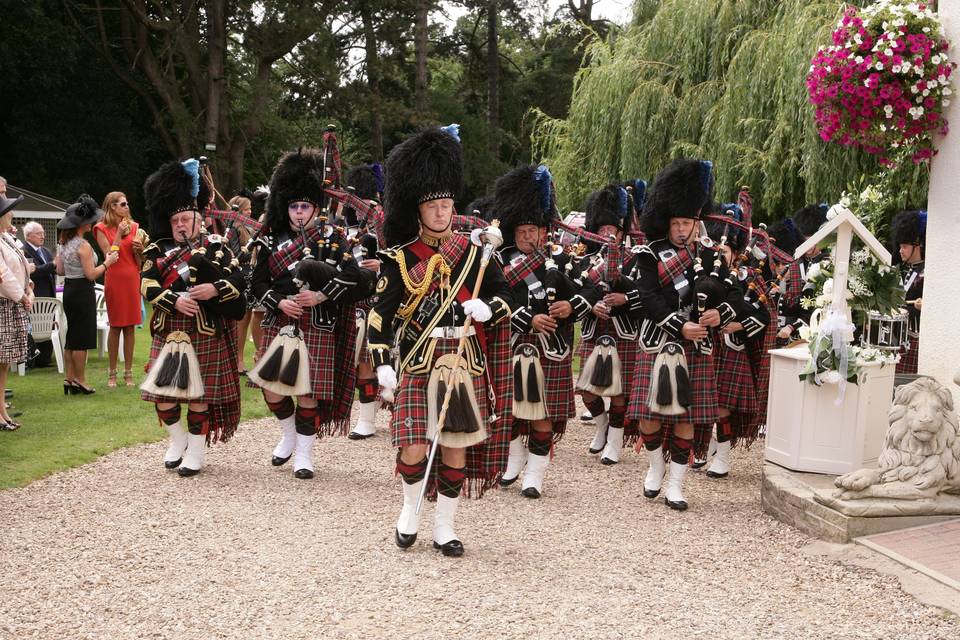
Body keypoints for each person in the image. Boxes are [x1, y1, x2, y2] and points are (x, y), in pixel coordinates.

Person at [369, 125, 513, 557]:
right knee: (412, 442)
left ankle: (445, 528)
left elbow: (506, 294)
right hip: (418, 358)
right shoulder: (397, 259)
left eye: (446, 205)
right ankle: (410, 510)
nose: (440, 213)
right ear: (418, 209)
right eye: (433, 206)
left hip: (462, 357)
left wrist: (489, 308)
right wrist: (382, 363)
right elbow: (381, 315)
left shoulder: (475, 254)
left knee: (454, 446)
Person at [248, 148, 375, 479]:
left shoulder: (333, 238)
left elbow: (354, 277)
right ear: (284, 206)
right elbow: (256, 284)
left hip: (319, 321)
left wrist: (321, 295)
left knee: (308, 392)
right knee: (271, 388)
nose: (299, 212)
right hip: (281, 319)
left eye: (305, 206)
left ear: (317, 207)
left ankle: (305, 454)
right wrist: (278, 301)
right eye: (293, 205)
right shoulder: (268, 239)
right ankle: (289, 435)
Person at [628, 159, 738, 511]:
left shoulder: (711, 256)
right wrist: (679, 325)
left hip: (696, 346)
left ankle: (676, 484)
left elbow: (732, 296)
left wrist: (718, 314)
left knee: (686, 419)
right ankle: (656, 465)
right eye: (675, 222)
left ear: (697, 222)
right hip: (658, 340)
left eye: (686, 222)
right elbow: (648, 298)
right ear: (665, 221)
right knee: (649, 415)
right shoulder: (648, 254)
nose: (680, 229)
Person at [140, 159, 247, 475]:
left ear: (200, 219)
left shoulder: (218, 248)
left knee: (200, 397)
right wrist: (174, 300)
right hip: (169, 329)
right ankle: (178, 441)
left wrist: (214, 289)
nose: (181, 225)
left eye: (186, 218)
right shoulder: (157, 250)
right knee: (163, 396)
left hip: (204, 331)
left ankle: (196, 454)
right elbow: (145, 283)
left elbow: (239, 281)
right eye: (175, 220)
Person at [495, 164, 593, 497]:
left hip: (552, 347)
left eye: (533, 231)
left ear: (543, 230)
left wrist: (571, 307)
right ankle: (514, 458)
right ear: (513, 230)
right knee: (507, 412)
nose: (527, 237)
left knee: (543, 414)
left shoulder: (562, 259)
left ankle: (535, 475)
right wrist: (528, 319)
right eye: (521, 231)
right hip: (514, 343)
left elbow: (590, 290)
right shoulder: (499, 261)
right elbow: (494, 300)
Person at [573, 185, 642, 466]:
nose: (607, 235)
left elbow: (647, 295)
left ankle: (614, 442)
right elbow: (576, 293)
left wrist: (625, 298)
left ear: (623, 232)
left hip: (623, 332)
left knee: (619, 393)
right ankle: (602, 427)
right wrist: (591, 305)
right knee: (588, 391)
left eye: (613, 230)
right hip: (594, 330)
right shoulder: (585, 261)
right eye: (602, 230)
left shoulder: (636, 258)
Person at [341, 164, 387, 440]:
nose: (362, 212)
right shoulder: (343, 233)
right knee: (360, 364)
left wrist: (381, 267)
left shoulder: (389, 232)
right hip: (356, 305)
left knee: (379, 363)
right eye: (358, 206)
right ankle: (367, 416)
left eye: (367, 205)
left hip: (385, 304)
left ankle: (378, 417)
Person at [55, 196, 119, 395]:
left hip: (70, 290)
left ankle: (69, 379)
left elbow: (60, 271)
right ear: (82, 223)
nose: (92, 222)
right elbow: (91, 274)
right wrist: (108, 263)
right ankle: (81, 380)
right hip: (83, 291)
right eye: (90, 220)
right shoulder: (83, 245)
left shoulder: (64, 243)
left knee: (72, 337)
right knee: (81, 339)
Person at [93, 192, 145, 387]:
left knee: (130, 326)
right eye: (123, 204)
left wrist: (139, 252)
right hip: (114, 279)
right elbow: (109, 255)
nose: (127, 207)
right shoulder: (100, 228)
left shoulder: (135, 227)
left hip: (132, 277)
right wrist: (118, 235)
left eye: (127, 203)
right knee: (115, 326)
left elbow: (139, 263)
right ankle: (112, 373)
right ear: (112, 206)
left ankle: (129, 373)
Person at [772, 204, 828, 345]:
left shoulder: (825, 264)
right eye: (804, 241)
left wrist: (793, 327)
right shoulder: (796, 261)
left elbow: (812, 304)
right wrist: (782, 285)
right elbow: (786, 298)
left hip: (807, 329)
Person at [0, 194, 31, 429]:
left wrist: (27, 288)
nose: (11, 213)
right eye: (8, 210)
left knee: (4, 362)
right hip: (3, 305)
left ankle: (2, 411)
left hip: (11, 303)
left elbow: (21, 266)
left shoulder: (6, 238)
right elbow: (3, 275)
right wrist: (21, 295)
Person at [224, 194, 258, 375]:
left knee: (249, 317)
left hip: (253, 274)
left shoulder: (252, 228)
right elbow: (236, 255)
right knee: (241, 319)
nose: (250, 212)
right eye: (246, 209)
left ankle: (243, 358)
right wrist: (252, 247)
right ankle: (237, 359)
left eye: (250, 208)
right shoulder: (233, 229)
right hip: (241, 274)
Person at [890, 210, 925, 375]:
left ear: (917, 246)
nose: (900, 251)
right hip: (898, 337)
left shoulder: (927, 272)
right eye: (900, 246)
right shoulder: (903, 270)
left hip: (915, 338)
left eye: (904, 246)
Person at [22, 221, 57, 368]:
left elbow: (49, 269)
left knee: (48, 324)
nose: (43, 236)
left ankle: (45, 359)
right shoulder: (24, 251)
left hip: (49, 294)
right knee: (35, 326)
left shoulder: (46, 251)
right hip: (35, 294)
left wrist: (57, 266)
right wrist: (52, 265)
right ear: (29, 236)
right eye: (39, 233)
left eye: (43, 233)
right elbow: (33, 273)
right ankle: (32, 359)